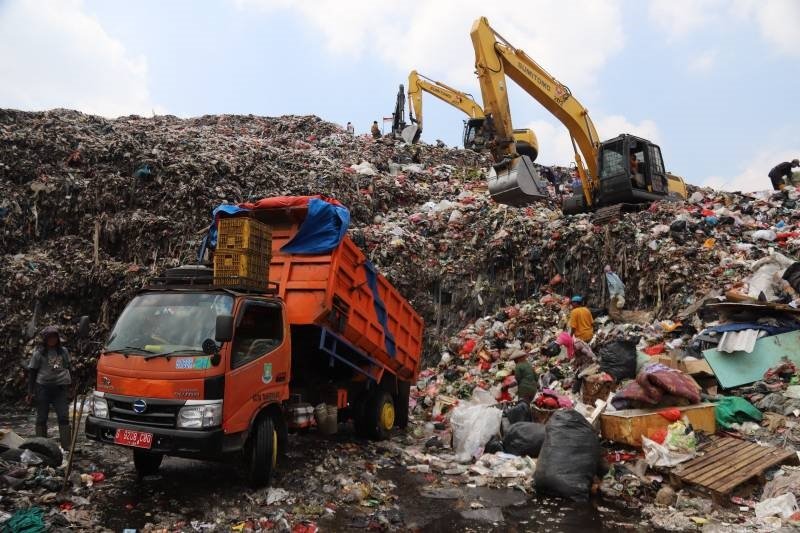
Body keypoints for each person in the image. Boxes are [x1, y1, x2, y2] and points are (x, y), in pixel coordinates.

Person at [27, 326, 72, 448]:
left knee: (63, 416)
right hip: (43, 388)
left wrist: (71, 386)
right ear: (45, 339)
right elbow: (32, 372)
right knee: (42, 417)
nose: (52, 340)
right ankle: (41, 446)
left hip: (60, 387)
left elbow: (68, 367)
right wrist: (30, 392)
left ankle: (67, 446)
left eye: (54, 337)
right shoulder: (39, 354)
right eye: (50, 337)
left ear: (58, 339)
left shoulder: (63, 352)